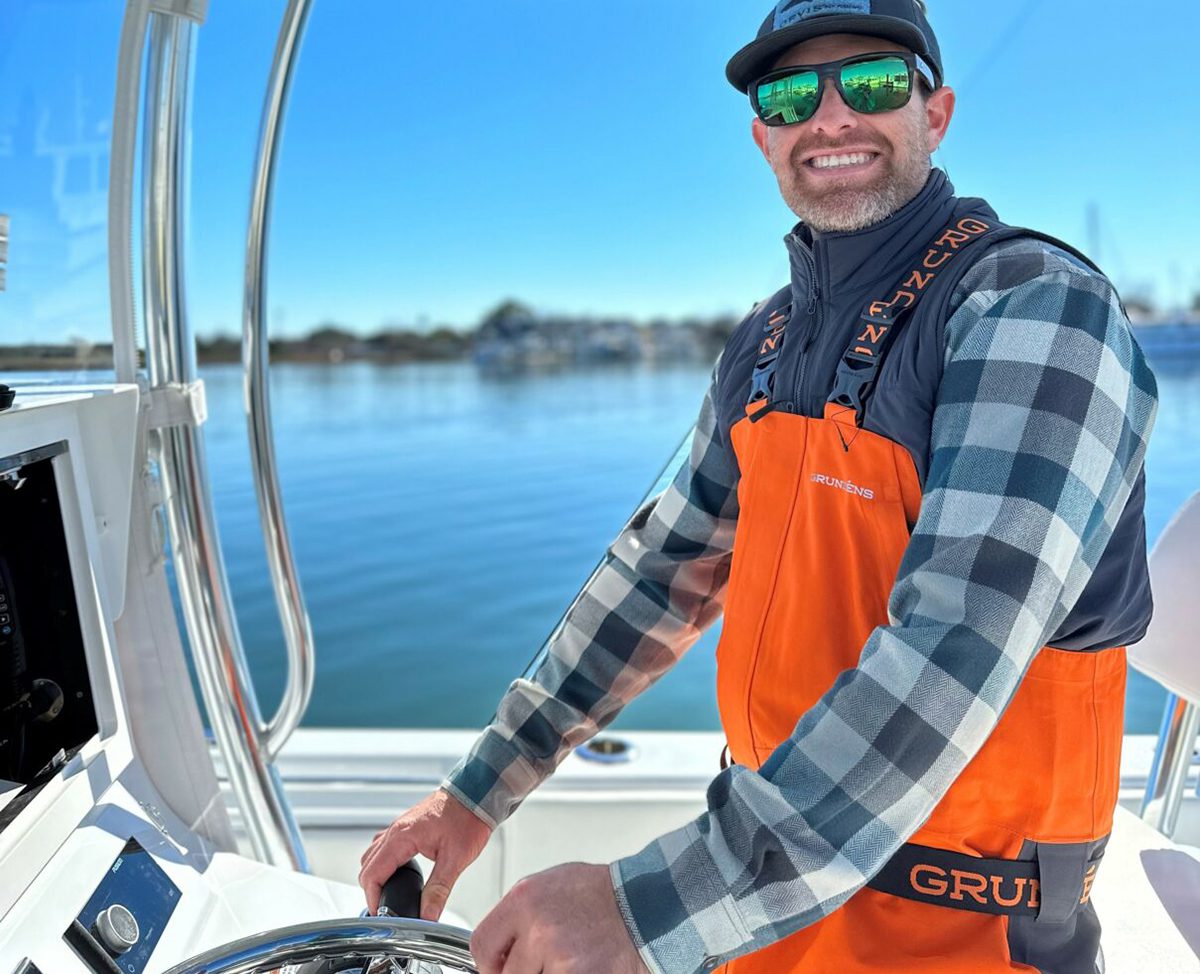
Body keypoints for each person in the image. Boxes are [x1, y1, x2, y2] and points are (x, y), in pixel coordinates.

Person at [359, 2, 1158, 972]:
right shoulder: (764, 343)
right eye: (789, 95)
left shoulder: (1036, 307)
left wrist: (642, 908)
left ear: (935, 113)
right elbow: (659, 578)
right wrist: (474, 793)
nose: (828, 117)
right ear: (763, 138)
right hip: (761, 924)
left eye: (869, 83)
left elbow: (955, 652)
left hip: (967, 941)